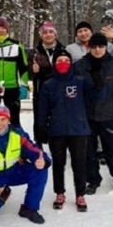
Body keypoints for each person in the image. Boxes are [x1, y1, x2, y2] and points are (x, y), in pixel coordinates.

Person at [73, 33, 113, 200]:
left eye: (100, 46)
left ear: (106, 47)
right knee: (89, 152)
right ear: (89, 47)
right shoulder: (80, 66)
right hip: (86, 116)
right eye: (94, 46)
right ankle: (93, 180)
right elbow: (73, 91)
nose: (97, 50)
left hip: (109, 115)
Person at [0, 103, 51, 224]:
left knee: (40, 169)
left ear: (8, 120)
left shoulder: (17, 134)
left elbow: (34, 150)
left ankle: (29, 208)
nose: (0, 124)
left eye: (3, 119)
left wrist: (44, 160)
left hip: (14, 172)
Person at [38, 48, 91, 212]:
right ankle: (59, 193)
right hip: (57, 130)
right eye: (59, 61)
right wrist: (41, 129)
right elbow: (42, 109)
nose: (63, 63)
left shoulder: (81, 81)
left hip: (79, 131)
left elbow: (95, 99)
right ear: (54, 64)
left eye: (66, 60)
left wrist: (97, 82)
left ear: (71, 63)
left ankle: (80, 194)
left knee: (79, 164)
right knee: (58, 164)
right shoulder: (48, 84)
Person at [28, 21, 66, 145]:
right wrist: (33, 71)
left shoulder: (63, 50)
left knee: (58, 118)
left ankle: (58, 144)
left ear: (55, 34)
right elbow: (27, 74)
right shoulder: (34, 53)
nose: (48, 35)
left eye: (51, 32)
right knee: (39, 119)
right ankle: (38, 143)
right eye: (45, 32)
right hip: (40, 91)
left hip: (58, 91)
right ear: (41, 35)